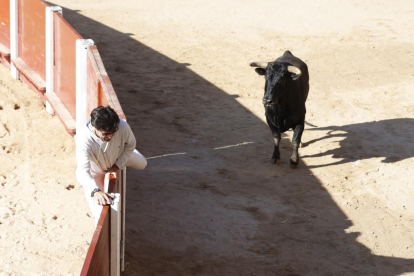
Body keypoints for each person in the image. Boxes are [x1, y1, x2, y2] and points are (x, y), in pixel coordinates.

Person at [76, 106, 147, 221]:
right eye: (106, 134)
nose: (110, 136)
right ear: (95, 128)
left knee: (142, 163)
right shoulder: (84, 138)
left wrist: (117, 165)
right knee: (98, 214)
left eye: (113, 132)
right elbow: (82, 171)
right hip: (97, 169)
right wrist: (95, 191)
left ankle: (125, 157)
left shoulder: (122, 125)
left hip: (118, 155)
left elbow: (131, 144)